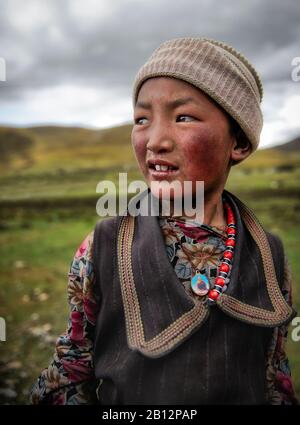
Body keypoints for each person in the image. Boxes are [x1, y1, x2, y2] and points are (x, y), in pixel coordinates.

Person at [30, 37, 298, 405]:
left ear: (238, 141)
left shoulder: (268, 254)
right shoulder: (105, 246)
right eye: (141, 119)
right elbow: (70, 372)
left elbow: (274, 375)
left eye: (183, 117)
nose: (155, 140)